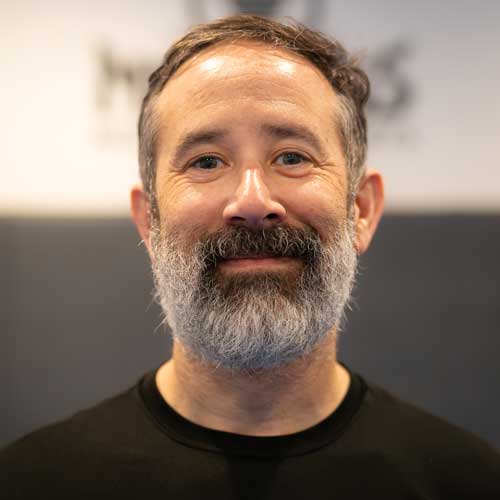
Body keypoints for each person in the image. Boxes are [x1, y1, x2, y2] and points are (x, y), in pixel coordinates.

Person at [2, 14, 499, 499]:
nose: (253, 201)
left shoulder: (469, 483)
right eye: (207, 161)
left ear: (362, 210)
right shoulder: (30, 482)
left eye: (291, 156)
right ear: (148, 221)